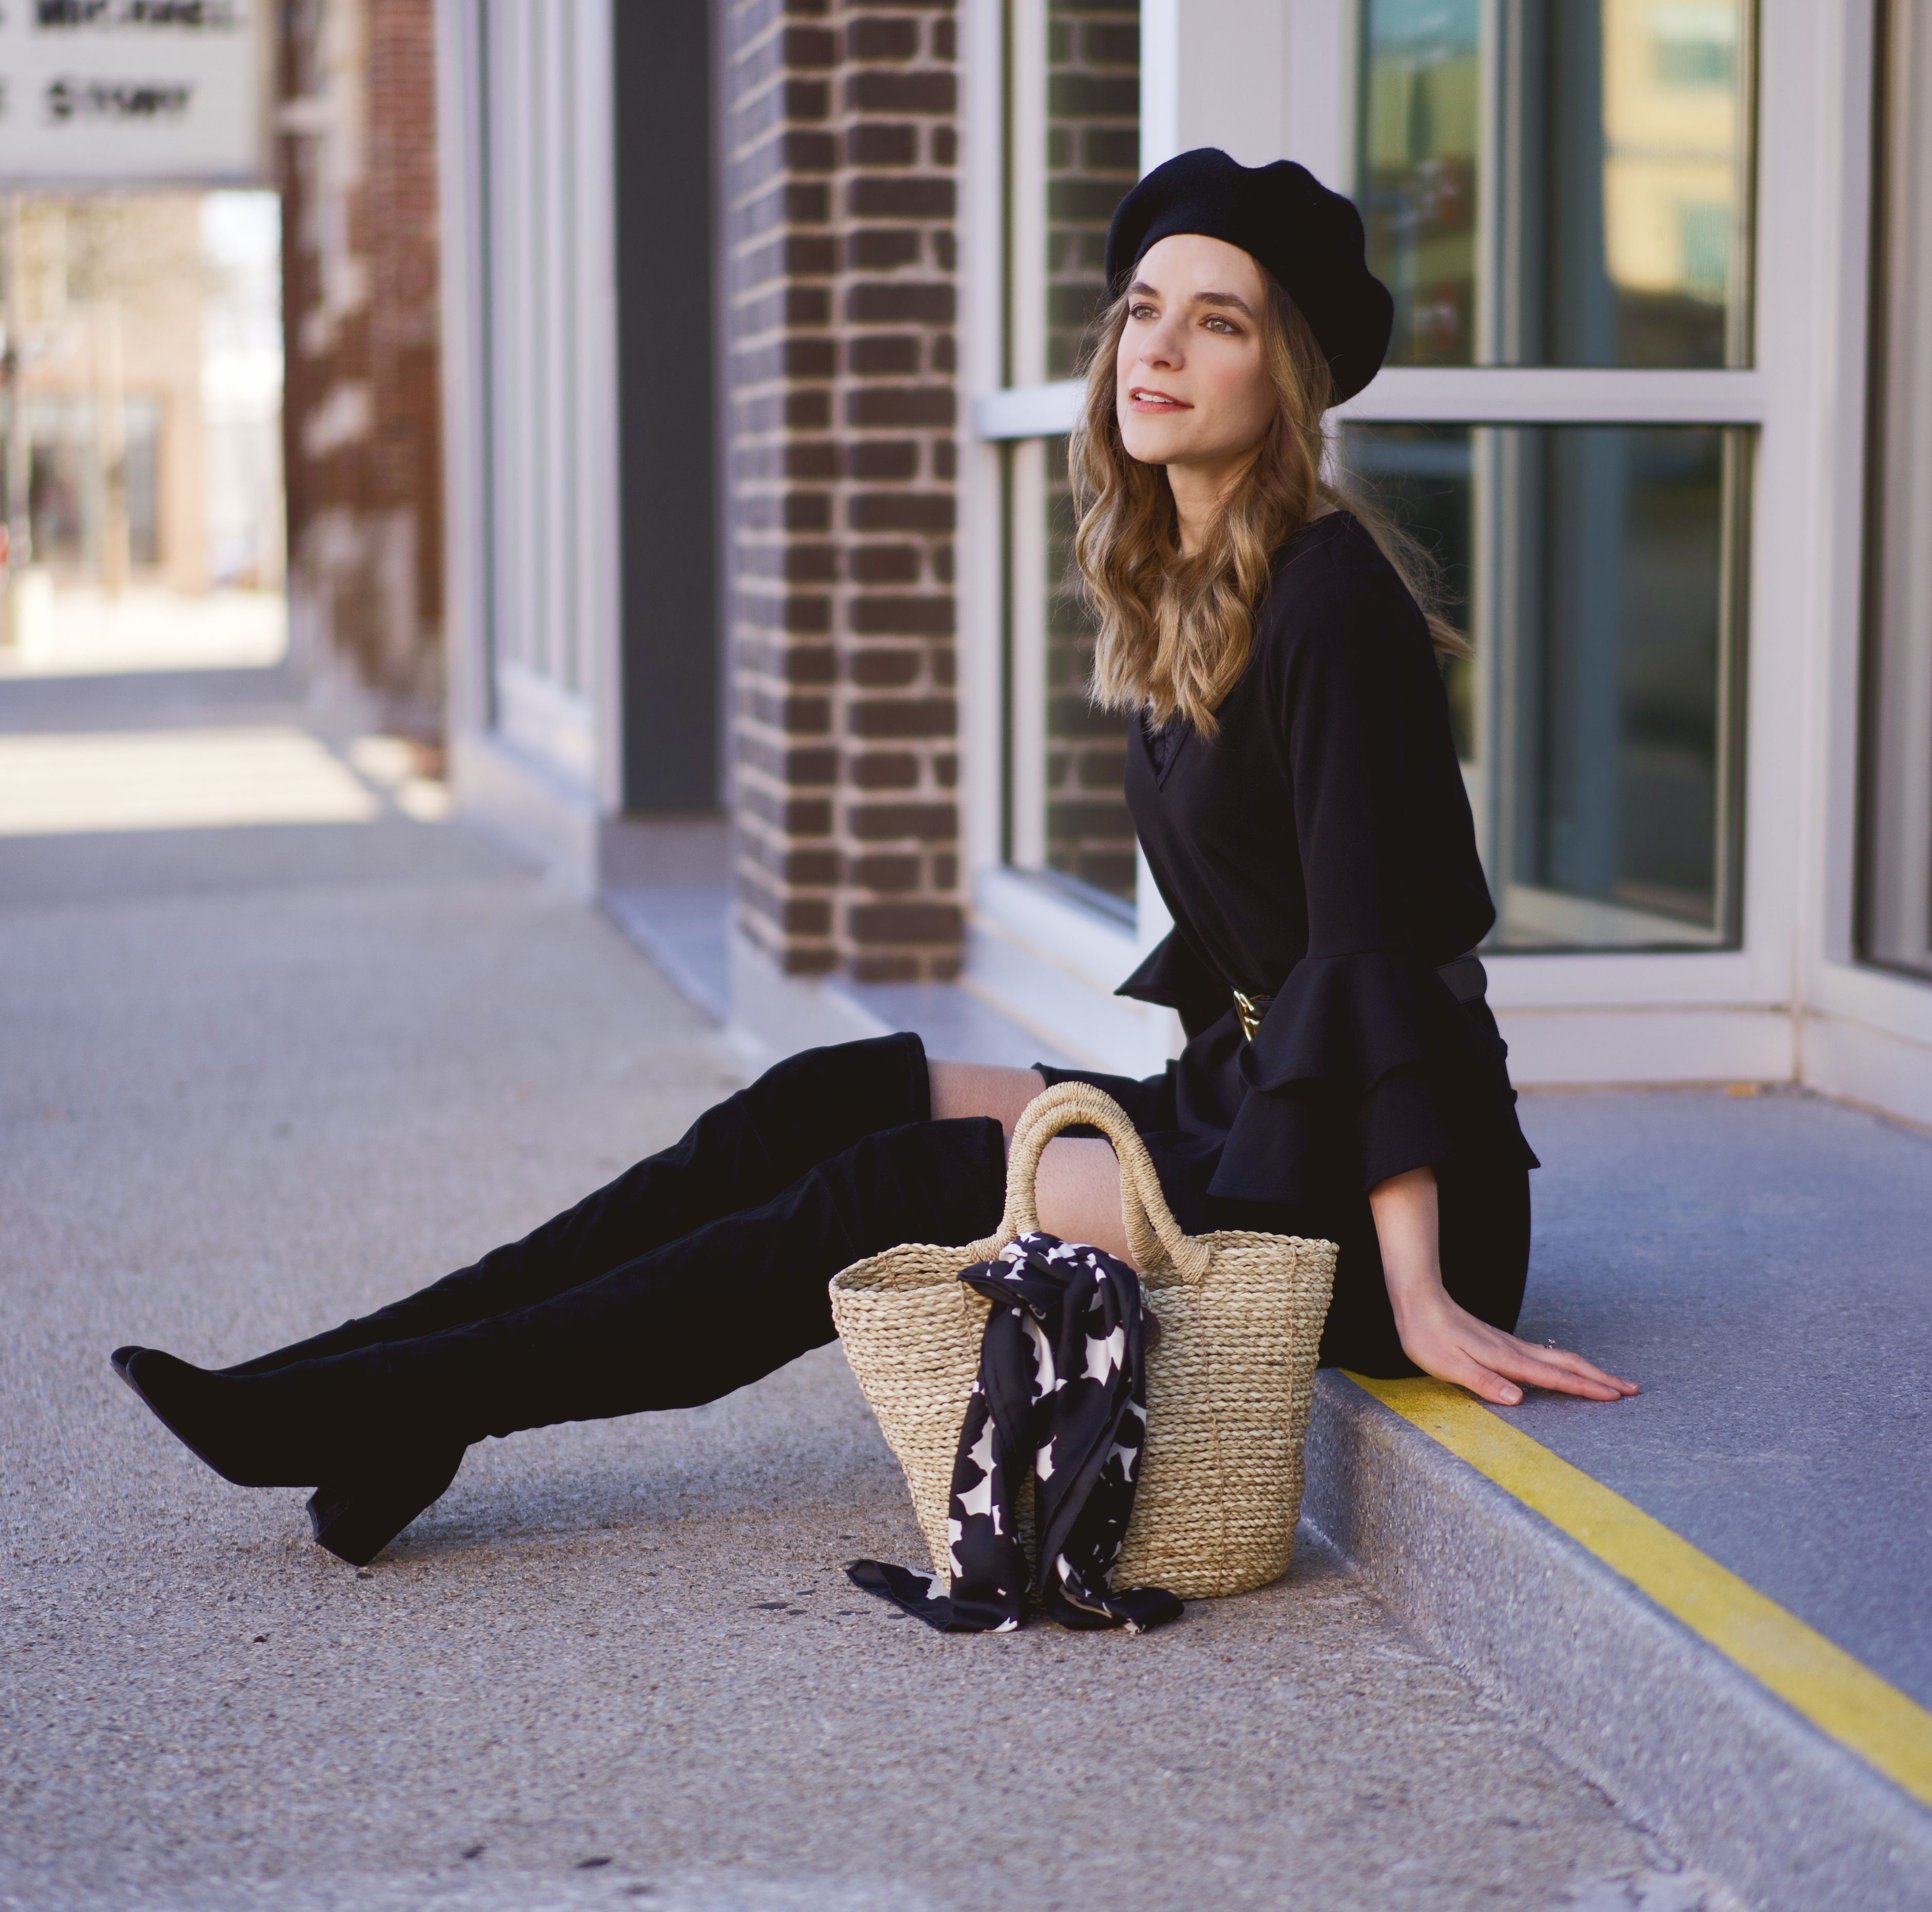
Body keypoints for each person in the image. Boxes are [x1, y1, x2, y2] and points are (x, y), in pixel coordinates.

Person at [111, 147, 1632, 1567]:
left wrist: (1421, 1291)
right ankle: (366, 1384)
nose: (1157, 350)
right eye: (1139, 313)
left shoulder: (1331, 604)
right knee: (826, 1096)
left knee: (889, 1184)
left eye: (1215, 322)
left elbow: (1377, 959)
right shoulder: (1196, 584)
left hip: (1360, 1192)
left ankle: (400, 1404)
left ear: (1281, 373)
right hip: (1262, 1112)